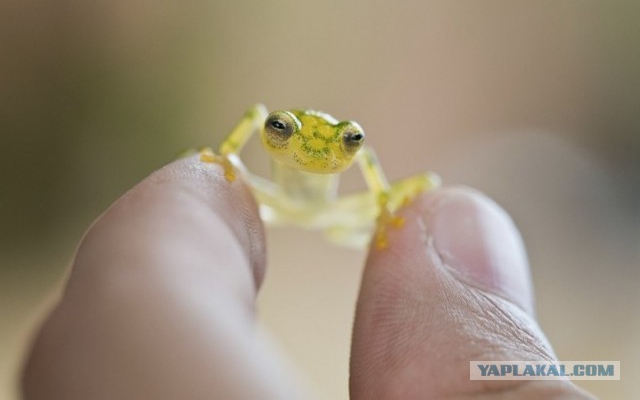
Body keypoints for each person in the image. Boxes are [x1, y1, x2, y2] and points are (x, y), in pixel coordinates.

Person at [21, 156, 593, 399]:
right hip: (258, 200)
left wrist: (386, 201)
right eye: (279, 129)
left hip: (332, 213)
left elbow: (368, 159)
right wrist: (227, 155)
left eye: (345, 140)